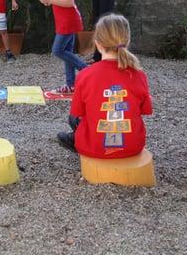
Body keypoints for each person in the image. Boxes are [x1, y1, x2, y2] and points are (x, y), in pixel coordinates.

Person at [57, 13, 153, 159]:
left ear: (97, 43)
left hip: (94, 148)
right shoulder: (139, 75)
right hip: (132, 146)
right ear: (126, 41)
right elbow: (145, 110)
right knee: (76, 119)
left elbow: (78, 111)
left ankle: (75, 138)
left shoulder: (85, 75)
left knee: (73, 118)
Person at [37, 0, 88, 94]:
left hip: (68, 22)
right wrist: (49, 1)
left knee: (57, 50)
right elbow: (61, 0)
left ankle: (86, 70)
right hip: (65, 22)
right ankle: (71, 85)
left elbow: (70, 2)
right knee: (67, 52)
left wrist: (49, 0)